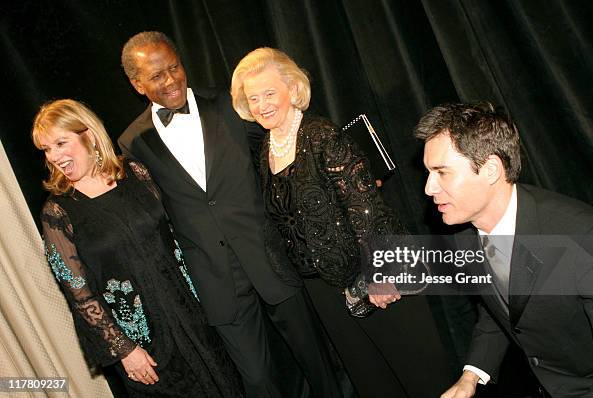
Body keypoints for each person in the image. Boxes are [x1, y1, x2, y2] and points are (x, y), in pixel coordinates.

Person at [118, 32, 347, 398]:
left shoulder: (229, 102)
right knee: (256, 381)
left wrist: (338, 175)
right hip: (214, 277)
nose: (172, 80)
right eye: (157, 75)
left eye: (174, 67)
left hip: (270, 256)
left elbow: (286, 143)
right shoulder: (133, 141)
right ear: (136, 84)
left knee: (318, 363)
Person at [230, 47, 453, 398]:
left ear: (293, 89)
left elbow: (366, 206)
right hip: (325, 290)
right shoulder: (265, 151)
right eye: (253, 98)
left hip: (377, 271)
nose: (262, 105)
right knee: (375, 384)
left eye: (269, 93)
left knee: (422, 377)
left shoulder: (320, 134)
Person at [32, 99, 244, 397]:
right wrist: (124, 350)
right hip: (142, 345)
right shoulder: (58, 213)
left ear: (89, 135)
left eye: (61, 143)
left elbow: (178, 236)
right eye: (46, 149)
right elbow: (79, 293)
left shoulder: (135, 173)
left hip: (194, 318)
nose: (54, 156)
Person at [414, 102, 593, 398]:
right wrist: (471, 375)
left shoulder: (586, 237)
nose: (429, 188)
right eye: (429, 173)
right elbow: (501, 308)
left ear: (491, 169)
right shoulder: (463, 234)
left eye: (442, 172)